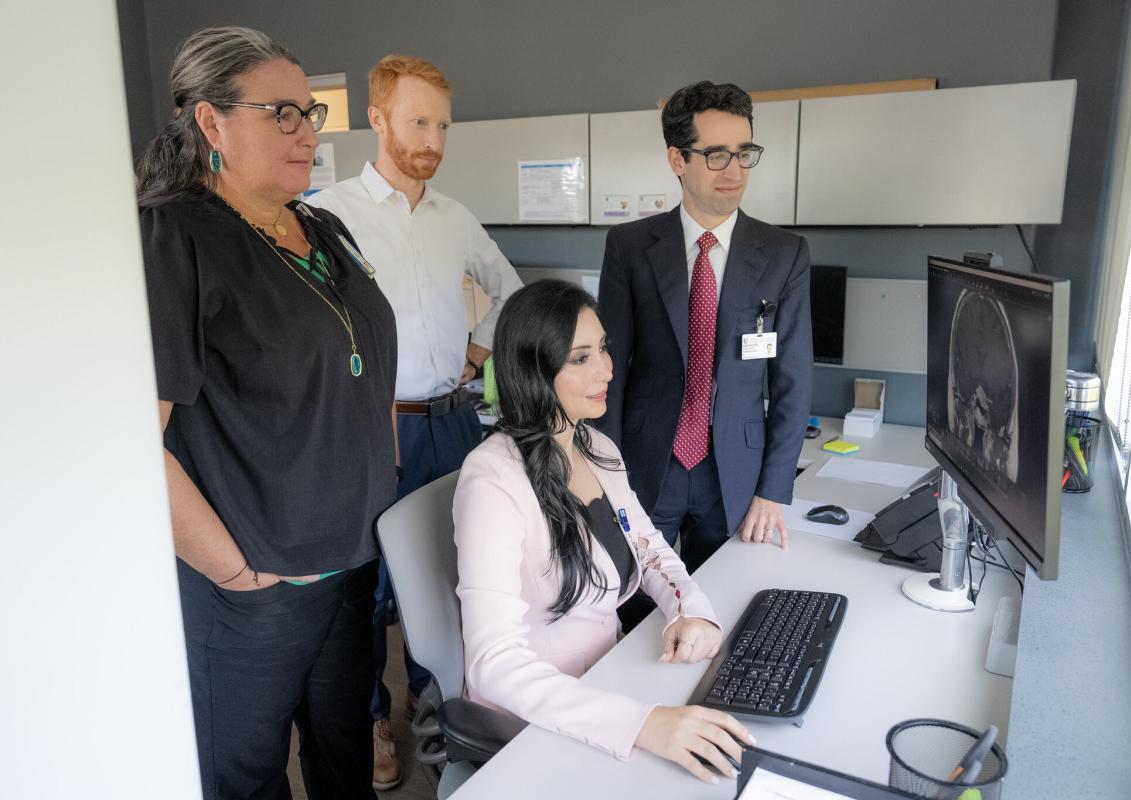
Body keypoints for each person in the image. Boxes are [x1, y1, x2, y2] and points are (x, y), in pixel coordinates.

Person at [137, 26, 397, 799]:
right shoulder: (173, 238)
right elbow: (132, 443)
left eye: (308, 111)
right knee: (245, 776)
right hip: (256, 586)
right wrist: (233, 569)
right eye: (280, 113)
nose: (306, 131)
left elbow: (363, 369)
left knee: (343, 753)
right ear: (211, 123)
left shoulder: (323, 229)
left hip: (351, 564)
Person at [307, 55, 522, 789]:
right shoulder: (328, 213)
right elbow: (314, 327)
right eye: (418, 121)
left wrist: (475, 349)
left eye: (442, 125)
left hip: (452, 423)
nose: (433, 138)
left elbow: (509, 290)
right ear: (378, 118)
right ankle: (372, 716)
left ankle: (440, 703)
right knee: (368, 588)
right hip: (376, 427)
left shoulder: (454, 216)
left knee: (456, 571)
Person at [454, 280, 755, 784]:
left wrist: (692, 611)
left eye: (605, 350)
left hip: (608, 677)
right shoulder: (492, 481)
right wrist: (643, 725)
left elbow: (651, 549)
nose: (608, 370)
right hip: (537, 717)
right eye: (581, 358)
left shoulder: (597, 447)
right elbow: (494, 663)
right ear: (534, 368)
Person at [597, 80, 813, 575]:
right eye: (716, 155)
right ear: (678, 160)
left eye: (744, 153)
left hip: (736, 473)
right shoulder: (630, 247)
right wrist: (607, 479)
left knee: (725, 604)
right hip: (647, 463)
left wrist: (773, 490)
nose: (734, 170)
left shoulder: (784, 254)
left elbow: (793, 381)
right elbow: (607, 372)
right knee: (630, 602)